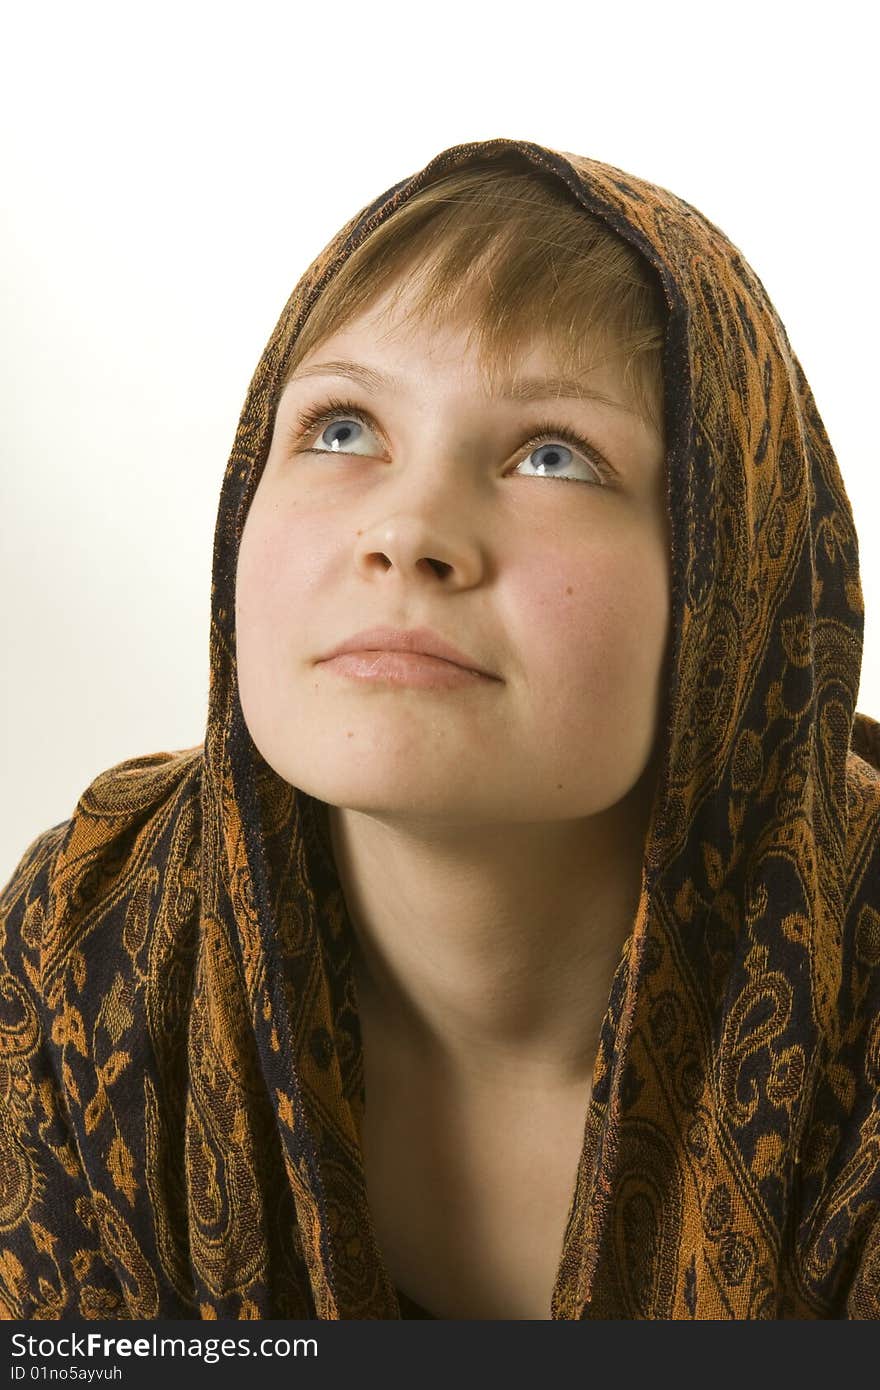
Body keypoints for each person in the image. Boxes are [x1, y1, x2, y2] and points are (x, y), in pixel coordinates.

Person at [1, 136, 878, 1321]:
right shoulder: (84, 950)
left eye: (552, 454)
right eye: (343, 427)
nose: (409, 530)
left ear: (733, 592)